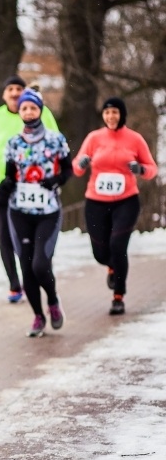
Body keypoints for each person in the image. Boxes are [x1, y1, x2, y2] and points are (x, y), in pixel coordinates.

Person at [0, 75, 60, 303]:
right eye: (10, 89)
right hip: (5, 186)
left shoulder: (43, 114)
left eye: (18, 89)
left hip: (37, 185)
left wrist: (56, 176)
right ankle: (14, 283)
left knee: (35, 237)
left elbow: (56, 143)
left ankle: (41, 275)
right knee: (5, 236)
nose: (14, 93)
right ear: (4, 94)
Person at [0, 88, 71, 337]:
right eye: (24, 107)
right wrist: (7, 184)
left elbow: (68, 171)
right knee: (26, 267)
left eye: (33, 107)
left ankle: (52, 301)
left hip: (47, 212)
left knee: (41, 264)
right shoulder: (13, 142)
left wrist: (56, 180)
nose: (28, 111)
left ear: (40, 110)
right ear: (20, 111)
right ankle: (38, 316)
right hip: (20, 212)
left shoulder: (55, 139)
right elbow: (9, 175)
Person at [72, 97, 158, 315]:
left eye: (115, 113)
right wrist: (81, 164)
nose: (111, 117)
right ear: (103, 116)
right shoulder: (94, 138)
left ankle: (118, 295)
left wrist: (140, 169)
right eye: (107, 113)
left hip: (126, 201)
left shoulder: (135, 139)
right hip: (96, 201)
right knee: (101, 253)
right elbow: (76, 167)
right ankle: (112, 266)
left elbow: (152, 168)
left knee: (118, 246)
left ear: (122, 115)